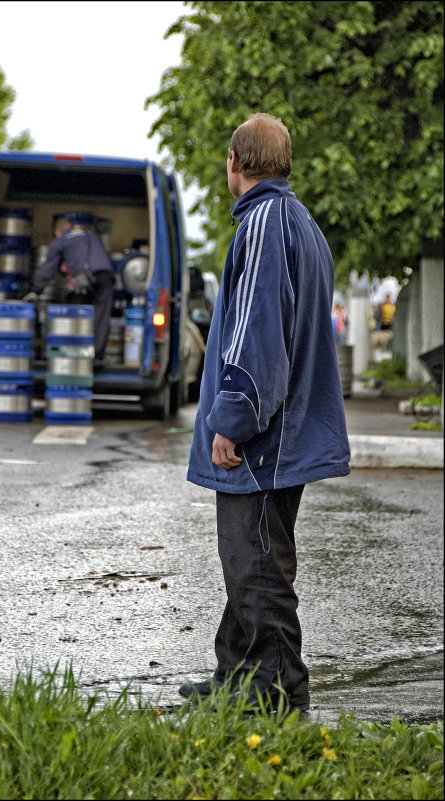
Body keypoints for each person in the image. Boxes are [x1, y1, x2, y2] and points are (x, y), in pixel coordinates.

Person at [182, 113, 351, 714]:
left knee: (256, 566)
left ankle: (278, 697)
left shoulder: (262, 225)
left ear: (234, 161)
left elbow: (258, 332)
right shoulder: (298, 221)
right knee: (251, 558)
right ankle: (236, 678)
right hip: (288, 431)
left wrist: (235, 417)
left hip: (263, 436)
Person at [24, 216, 115, 367]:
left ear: (57, 231)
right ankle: (97, 356)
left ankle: (74, 352)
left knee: (75, 313)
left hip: (84, 279)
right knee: (101, 315)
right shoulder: (90, 235)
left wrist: (36, 290)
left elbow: (48, 269)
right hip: (105, 276)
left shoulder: (61, 240)